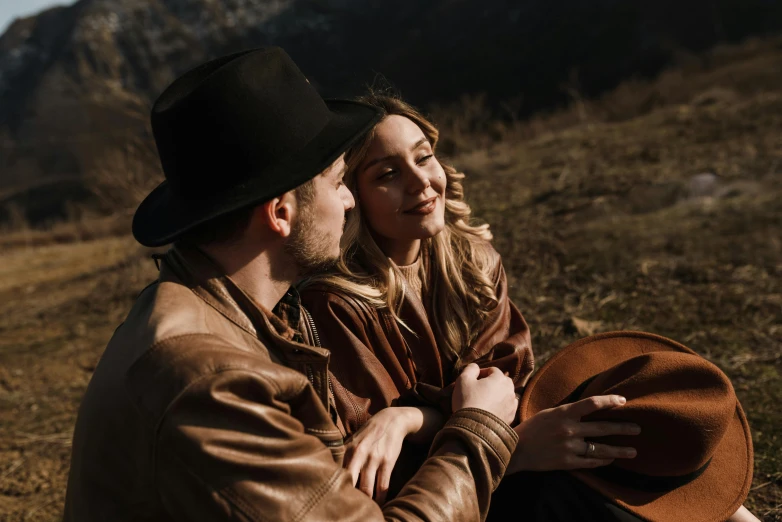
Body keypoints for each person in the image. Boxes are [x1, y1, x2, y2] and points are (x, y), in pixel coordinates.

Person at [63, 48, 522, 522]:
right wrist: (475, 433)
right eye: (338, 182)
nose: (348, 202)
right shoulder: (211, 384)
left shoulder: (210, 312)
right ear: (281, 213)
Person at [299, 94, 760, 521]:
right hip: (445, 487)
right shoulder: (337, 301)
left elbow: (500, 384)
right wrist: (493, 433)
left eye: (424, 157)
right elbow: (391, 460)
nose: (421, 182)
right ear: (350, 195)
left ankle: (728, 508)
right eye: (387, 174)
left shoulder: (470, 262)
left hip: (501, 436)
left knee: (622, 406)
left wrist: (408, 416)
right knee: (580, 478)